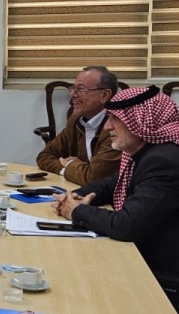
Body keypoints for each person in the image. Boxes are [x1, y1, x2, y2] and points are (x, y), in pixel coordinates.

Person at [53, 85, 179, 310]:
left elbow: (125, 225)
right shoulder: (146, 151)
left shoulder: (165, 160)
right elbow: (111, 184)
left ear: (142, 121)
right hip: (142, 261)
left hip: (162, 279)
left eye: (116, 119)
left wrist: (76, 210)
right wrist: (75, 196)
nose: (107, 126)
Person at [36, 66, 121, 184]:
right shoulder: (75, 121)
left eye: (81, 89)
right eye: (73, 88)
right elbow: (44, 156)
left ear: (104, 95)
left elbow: (94, 178)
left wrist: (70, 164)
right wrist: (71, 170)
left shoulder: (116, 128)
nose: (73, 94)